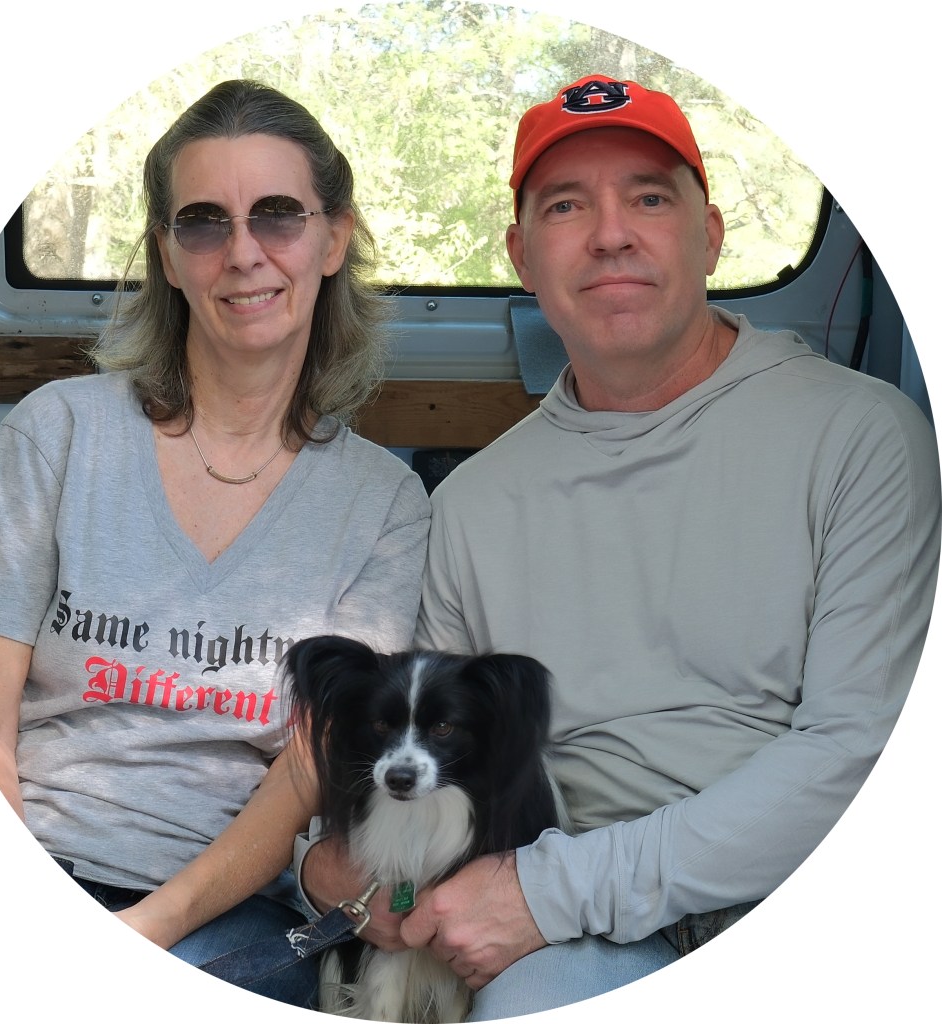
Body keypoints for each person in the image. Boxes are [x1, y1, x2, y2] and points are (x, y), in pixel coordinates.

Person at [297, 74, 941, 1017]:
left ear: (709, 235)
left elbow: (859, 757)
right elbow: (420, 748)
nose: (610, 234)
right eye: (566, 206)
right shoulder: (473, 502)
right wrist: (320, 866)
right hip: (563, 928)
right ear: (522, 255)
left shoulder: (861, 437)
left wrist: (550, 893)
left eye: (648, 198)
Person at [0, 79, 430, 1006]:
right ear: (166, 253)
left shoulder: (386, 506)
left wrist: (146, 930)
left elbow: (307, 772)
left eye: (277, 215)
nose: (242, 253)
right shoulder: (60, 431)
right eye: (202, 222)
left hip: (219, 906)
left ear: (333, 239)